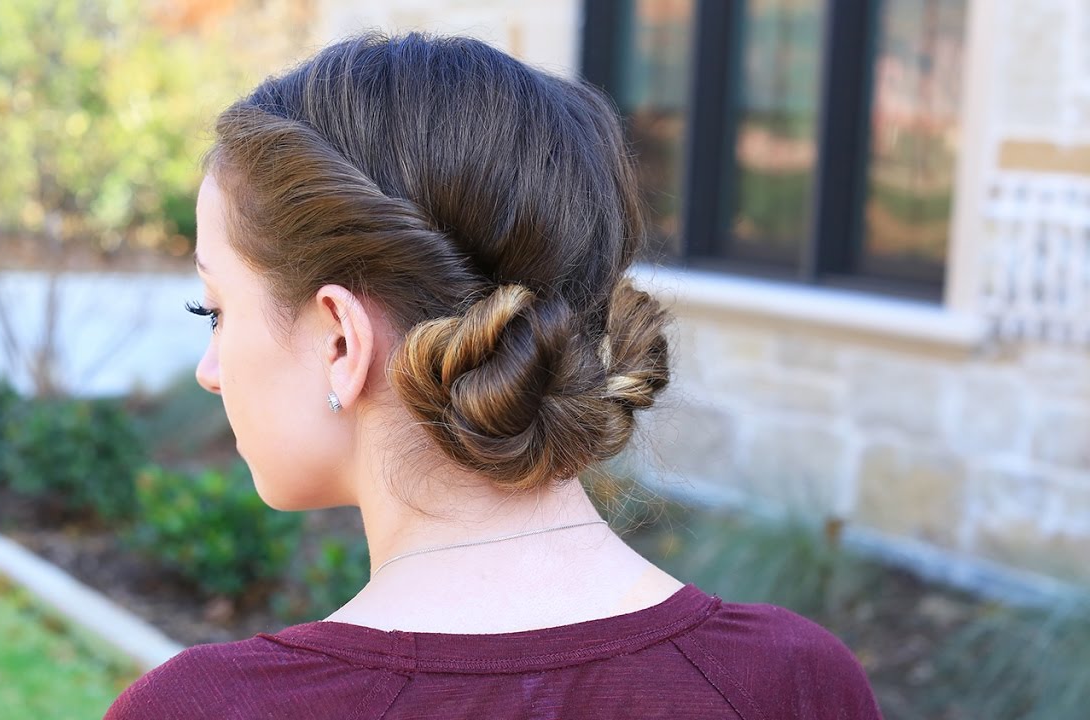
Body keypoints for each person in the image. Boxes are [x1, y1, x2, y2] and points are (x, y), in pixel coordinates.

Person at [105, 32, 883, 720]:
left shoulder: (206, 710)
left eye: (213, 310)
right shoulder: (794, 683)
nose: (210, 371)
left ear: (341, 338)